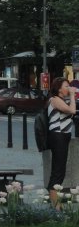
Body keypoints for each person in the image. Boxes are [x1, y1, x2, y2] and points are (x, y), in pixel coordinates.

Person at [47, 77, 77, 206]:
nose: (68, 88)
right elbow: (72, 111)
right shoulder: (55, 100)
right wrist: (72, 95)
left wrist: (71, 97)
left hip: (63, 137)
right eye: (66, 86)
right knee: (58, 172)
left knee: (60, 171)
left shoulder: (62, 100)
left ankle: (57, 206)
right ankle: (56, 208)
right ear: (59, 89)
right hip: (58, 136)